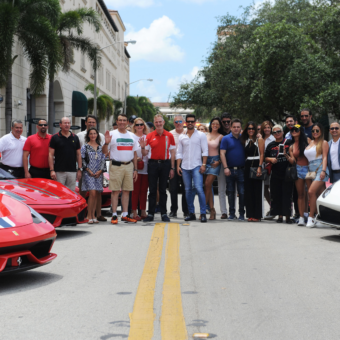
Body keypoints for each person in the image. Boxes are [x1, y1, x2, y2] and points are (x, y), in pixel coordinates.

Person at [102, 114, 138, 224]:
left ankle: (125, 214)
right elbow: (104, 152)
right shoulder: (111, 134)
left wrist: (135, 169)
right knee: (115, 191)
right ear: (117, 122)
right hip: (116, 165)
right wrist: (107, 143)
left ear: (127, 122)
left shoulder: (132, 136)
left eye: (124, 120)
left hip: (129, 165)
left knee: (126, 191)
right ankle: (114, 215)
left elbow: (135, 153)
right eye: (120, 120)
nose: (122, 122)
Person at [139, 114, 176, 222]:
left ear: (163, 122)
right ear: (154, 123)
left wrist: (172, 168)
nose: (158, 124)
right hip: (153, 164)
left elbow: (173, 152)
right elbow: (145, 153)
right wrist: (142, 147)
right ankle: (150, 213)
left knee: (163, 190)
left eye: (160, 122)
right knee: (152, 190)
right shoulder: (149, 136)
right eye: (156, 122)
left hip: (165, 164)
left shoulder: (169, 135)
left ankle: (164, 213)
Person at [177, 114, 208, 222]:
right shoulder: (182, 136)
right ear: (186, 123)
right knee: (187, 190)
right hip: (185, 167)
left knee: (199, 189)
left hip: (197, 166)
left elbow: (205, 151)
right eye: (188, 121)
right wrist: (178, 166)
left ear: (195, 123)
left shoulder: (201, 135)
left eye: (192, 121)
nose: (190, 123)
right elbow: (179, 153)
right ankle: (191, 213)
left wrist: (204, 165)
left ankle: (203, 213)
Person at [77, 115, 106, 222]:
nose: (93, 135)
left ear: (97, 135)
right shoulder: (85, 146)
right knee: (91, 193)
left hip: (98, 173)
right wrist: (87, 170)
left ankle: (94, 215)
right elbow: (82, 159)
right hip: (88, 172)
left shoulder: (100, 147)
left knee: (95, 194)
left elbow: (103, 159)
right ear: (88, 135)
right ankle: (88, 215)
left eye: (95, 133)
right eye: (91, 134)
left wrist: (100, 171)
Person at [265, 125, 293, 224]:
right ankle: (280, 216)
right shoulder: (270, 145)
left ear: (282, 132)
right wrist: (270, 159)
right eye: (275, 132)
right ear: (273, 134)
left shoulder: (289, 143)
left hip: (287, 172)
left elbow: (293, 156)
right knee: (276, 195)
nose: (277, 133)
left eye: (279, 131)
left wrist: (286, 154)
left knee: (287, 195)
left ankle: (288, 216)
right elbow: (265, 157)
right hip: (275, 173)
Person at [220, 118, 246, 221]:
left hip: (241, 170)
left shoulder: (244, 138)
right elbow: (222, 153)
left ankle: (242, 214)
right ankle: (231, 213)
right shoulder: (225, 139)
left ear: (241, 128)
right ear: (231, 128)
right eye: (234, 127)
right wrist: (225, 167)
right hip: (229, 169)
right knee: (230, 192)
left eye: (238, 127)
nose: (236, 129)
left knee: (242, 192)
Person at [304, 123, 329, 227]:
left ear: (321, 132)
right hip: (310, 169)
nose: (315, 132)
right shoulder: (309, 142)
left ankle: (311, 217)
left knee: (311, 192)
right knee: (320, 195)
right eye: (313, 131)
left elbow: (324, 157)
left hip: (320, 168)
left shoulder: (324, 142)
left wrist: (323, 171)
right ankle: (322, 218)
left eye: (317, 130)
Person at [49, 117, 82, 191]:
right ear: (60, 125)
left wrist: (79, 169)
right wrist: (52, 170)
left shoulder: (75, 137)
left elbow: (79, 155)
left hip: (72, 171)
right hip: (59, 171)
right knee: (59, 193)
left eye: (68, 123)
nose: (67, 125)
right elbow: (50, 155)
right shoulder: (55, 137)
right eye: (65, 123)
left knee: (71, 193)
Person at [286, 124, 309, 226]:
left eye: (296, 129)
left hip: (309, 169)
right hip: (298, 169)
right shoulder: (291, 146)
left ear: (301, 130)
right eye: (292, 130)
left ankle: (310, 215)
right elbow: (293, 162)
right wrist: (286, 155)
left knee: (310, 193)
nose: (294, 131)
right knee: (300, 194)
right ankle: (301, 217)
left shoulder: (307, 141)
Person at [242, 121, 265, 222]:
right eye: (249, 128)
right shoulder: (245, 140)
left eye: (252, 128)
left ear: (255, 130)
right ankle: (250, 214)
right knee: (249, 191)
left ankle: (257, 215)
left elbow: (262, 154)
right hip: (247, 166)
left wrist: (260, 166)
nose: (251, 130)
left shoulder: (259, 139)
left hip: (257, 165)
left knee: (257, 190)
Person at [169, 115, 188, 218]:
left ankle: (186, 211)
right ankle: (173, 210)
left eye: (180, 121)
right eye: (176, 122)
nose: (178, 123)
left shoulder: (188, 133)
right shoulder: (170, 134)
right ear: (174, 123)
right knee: (173, 188)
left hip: (186, 163)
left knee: (186, 188)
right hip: (173, 162)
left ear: (184, 122)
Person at [204, 117, 223, 220]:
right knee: (208, 186)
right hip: (205, 161)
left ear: (219, 126)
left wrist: (219, 161)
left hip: (215, 162)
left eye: (217, 124)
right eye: (213, 123)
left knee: (207, 184)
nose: (215, 125)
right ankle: (212, 210)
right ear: (211, 125)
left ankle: (203, 210)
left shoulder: (221, 137)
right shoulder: (205, 136)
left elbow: (224, 151)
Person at [131, 118, 149, 220]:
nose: (139, 126)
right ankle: (134, 211)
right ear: (134, 126)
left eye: (141, 124)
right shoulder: (131, 136)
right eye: (137, 125)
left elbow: (147, 152)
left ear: (144, 126)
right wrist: (135, 158)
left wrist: (143, 148)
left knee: (144, 190)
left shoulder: (148, 137)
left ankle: (143, 210)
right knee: (135, 190)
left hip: (146, 166)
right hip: (135, 167)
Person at [259, 120, 275, 216]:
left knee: (272, 188)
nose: (267, 129)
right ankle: (272, 206)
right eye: (265, 127)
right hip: (262, 166)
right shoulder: (260, 138)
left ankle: (274, 208)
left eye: (268, 127)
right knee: (264, 189)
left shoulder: (273, 138)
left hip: (271, 166)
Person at [218, 112, 232, 219]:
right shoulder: (218, 133)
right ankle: (223, 211)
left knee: (233, 190)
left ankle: (233, 211)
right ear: (221, 122)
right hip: (221, 163)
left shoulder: (236, 132)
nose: (226, 123)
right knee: (221, 188)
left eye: (228, 121)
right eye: (224, 122)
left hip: (233, 163)